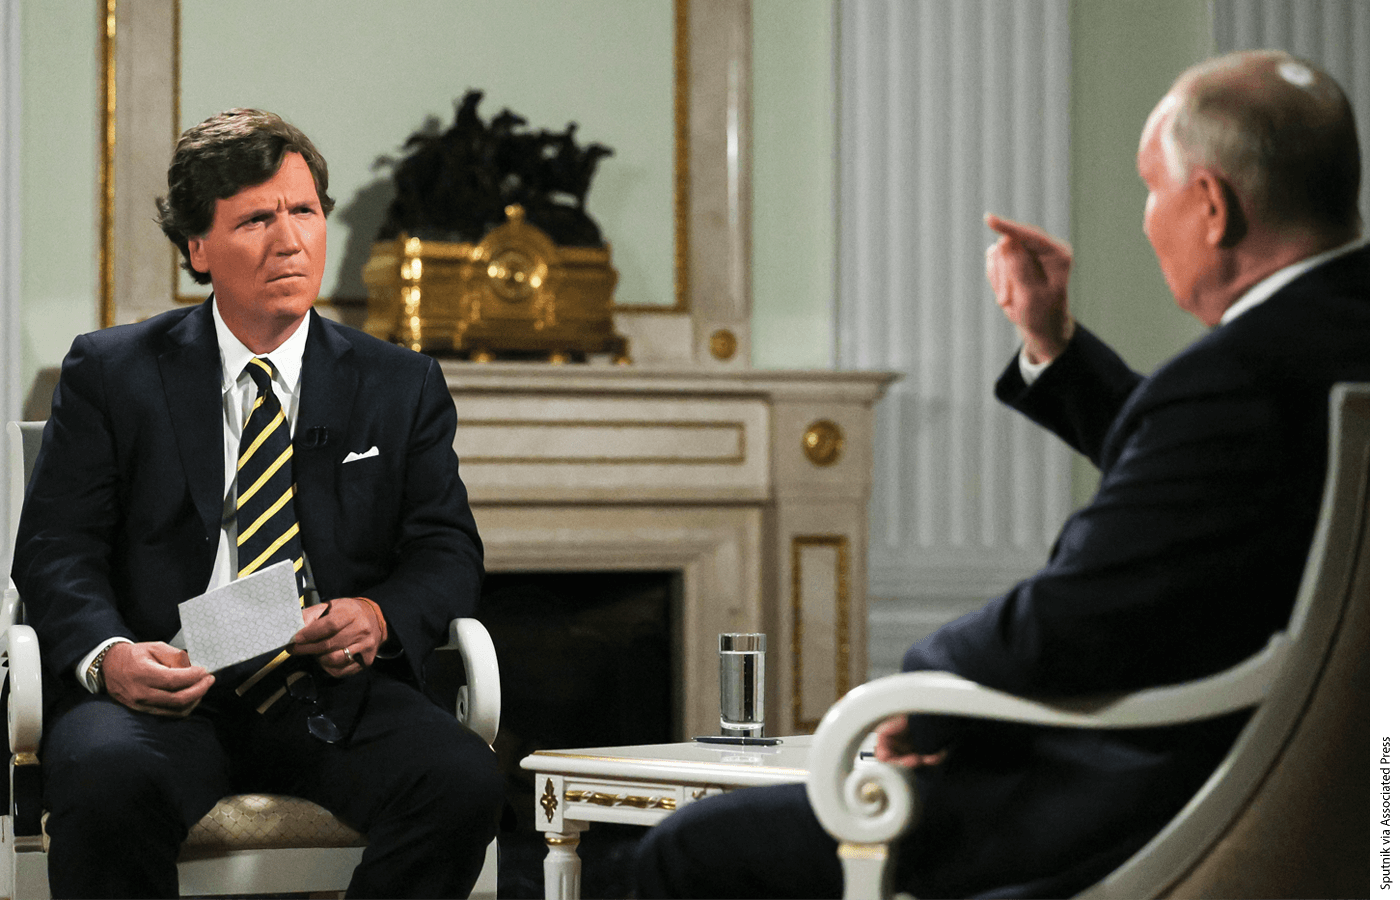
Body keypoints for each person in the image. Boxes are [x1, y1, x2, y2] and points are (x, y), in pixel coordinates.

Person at [633, 49, 1369, 900]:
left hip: (1158, 799)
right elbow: (1209, 485)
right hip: (1323, 793)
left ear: (1210, 204)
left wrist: (924, 684)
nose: (1141, 219)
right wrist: (1053, 348)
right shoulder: (1306, 362)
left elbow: (1071, 621)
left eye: (1148, 185)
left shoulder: (1234, 381)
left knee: (689, 850)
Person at [11, 109, 503, 899]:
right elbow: (54, 549)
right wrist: (110, 658)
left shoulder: (398, 383)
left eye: (304, 211)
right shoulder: (111, 372)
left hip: (326, 693)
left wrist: (376, 615)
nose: (290, 240)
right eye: (256, 219)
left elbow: (446, 549)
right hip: (161, 694)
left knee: (464, 782)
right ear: (197, 248)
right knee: (105, 780)